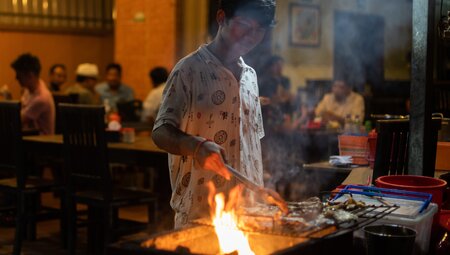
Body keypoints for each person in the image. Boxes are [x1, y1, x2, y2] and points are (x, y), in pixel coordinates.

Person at [152, 0, 286, 228]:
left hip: (248, 211)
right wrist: (195, 145)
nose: (251, 36)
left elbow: (252, 143)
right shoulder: (189, 70)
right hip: (201, 210)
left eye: (260, 30)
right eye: (244, 25)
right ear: (222, 17)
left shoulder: (250, 76)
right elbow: (160, 132)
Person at [11, 53, 55, 135]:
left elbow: (17, 121)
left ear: (30, 75)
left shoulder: (41, 98)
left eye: (18, 75)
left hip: (40, 144)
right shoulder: (30, 89)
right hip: (29, 138)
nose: (16, 78)